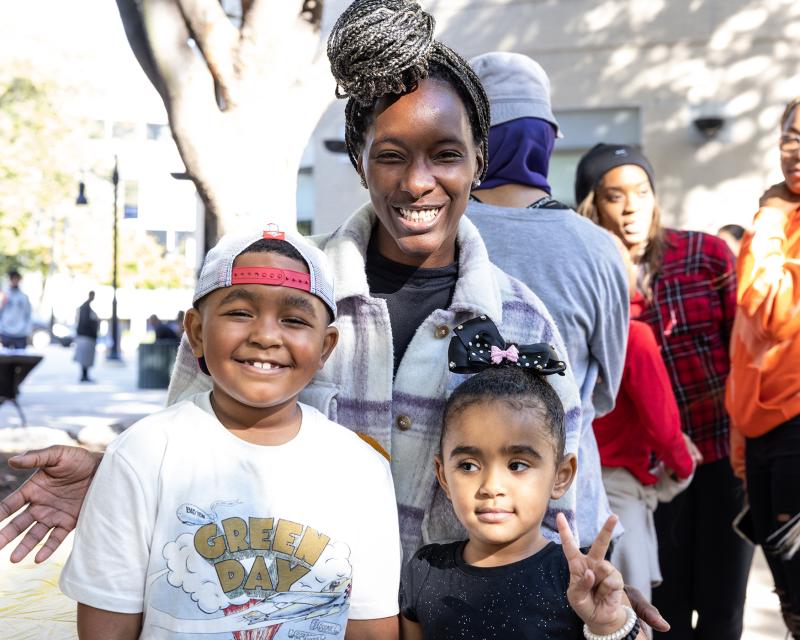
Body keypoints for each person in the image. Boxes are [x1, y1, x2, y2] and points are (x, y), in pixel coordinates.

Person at [0, 1, 667, 631]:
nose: (416, 182)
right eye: (391, 155)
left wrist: (598, 590)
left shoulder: (524, 326)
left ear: (478, 161)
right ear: (359, 159)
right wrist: (118, 471)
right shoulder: (275, 306)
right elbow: (190, 442)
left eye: (445, 153)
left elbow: (565, 502)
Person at [59, 230, 402, 639]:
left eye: (294, 320)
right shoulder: (142, 454)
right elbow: (107, 628)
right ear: (197, 332)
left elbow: (370, 627)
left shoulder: (360, 469)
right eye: (240, 312)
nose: (266, 336)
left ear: (326, 346)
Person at [575, 143, 753, 638]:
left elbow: (746, 350)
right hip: (645, 476)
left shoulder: (704, 254)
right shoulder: (589, 275)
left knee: (722, 606)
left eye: (642, 192)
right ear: (593, 204)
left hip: (717, 459)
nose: (632, 207)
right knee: (662, 608)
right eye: (616, 195)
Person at [467, 51, 629, 546]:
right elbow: (606, 390)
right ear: (546, 139)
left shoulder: (440, 234)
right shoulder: (599, 247)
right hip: (569, 514)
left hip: (459, 510)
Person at [400, 316, 645, 640]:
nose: (491, 487)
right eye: (469, 465)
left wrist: (608, 622)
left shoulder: (578, 577)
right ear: (442, 475)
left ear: (561, 476)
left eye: (517, 465)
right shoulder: (425, 572)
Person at [726, 96, 800, 639]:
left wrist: (769, 215)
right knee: (789, 593)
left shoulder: (777, 217)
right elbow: (747, 344)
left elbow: (772, 309)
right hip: (762, 428)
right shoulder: (782, 217)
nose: (795, 150)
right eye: (790, 136)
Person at [593, 243, 696, 602]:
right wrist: (684, 466)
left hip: (564, 488)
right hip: (620, 496)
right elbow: (663, 424)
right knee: (628, 616)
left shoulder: (563, 322)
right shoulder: (633, 335)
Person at [0, 270, 32, 349]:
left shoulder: (24, 297)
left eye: (16, 279)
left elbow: (28, 314)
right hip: (6, 332)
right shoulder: (5, 296)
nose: (15, 281)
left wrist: (27, 330)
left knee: (20, 359)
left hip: (20, 333)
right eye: (13, 279)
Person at [74, 291, 99, 382]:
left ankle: (85, 375)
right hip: (86, 336)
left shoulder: (86, 307)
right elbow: (86, 322)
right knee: (84, 357)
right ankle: (84, 375)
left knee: (85, 358)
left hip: (86, 336)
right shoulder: (85, 308)